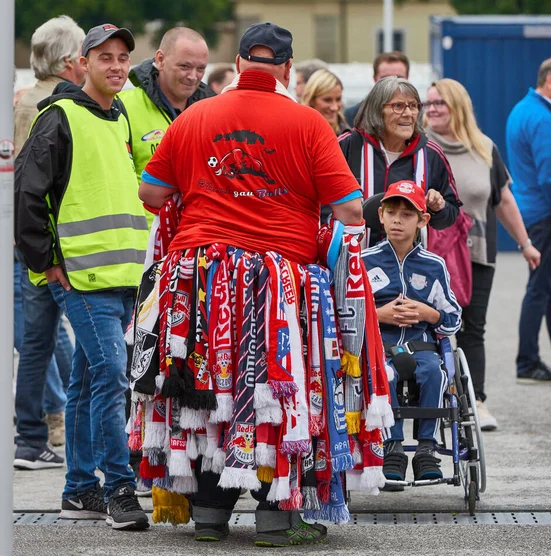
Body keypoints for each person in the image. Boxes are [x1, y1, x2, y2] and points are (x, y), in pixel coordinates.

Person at [134, 22, 369, 546]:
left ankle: (210, 518)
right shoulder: (309, 124)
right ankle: (274, 520)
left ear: (238, 64)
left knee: (208, 392)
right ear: (287, 69)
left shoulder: (196, 115)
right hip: (275, 285)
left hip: (199, 279)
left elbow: (152, 194)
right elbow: (351, 209)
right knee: (270, 393)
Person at [15, 23, 149, 530]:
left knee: (90, 380)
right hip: (80, 277)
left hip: (120, 276)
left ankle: (78, 488)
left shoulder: (118, 118)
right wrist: (46, 262)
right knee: (113, 375)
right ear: (83, 62)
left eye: (123, 59)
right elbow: (28, 194)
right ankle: (118, 487)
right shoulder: (59, 116)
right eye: (106, 57)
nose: (116, 66)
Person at [423, 78, 541, 430]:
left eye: (439, 103)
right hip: (428, 256)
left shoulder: (484, 148)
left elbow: (503, 200)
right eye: (428, 104)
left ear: (457, 106)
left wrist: (525, 243)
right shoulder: (421, 148)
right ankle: (431, 406)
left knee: (473, 330)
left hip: (477, 254)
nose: (431, 109)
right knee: (427, 329)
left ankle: (475, 401)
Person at [12, 15, 85, 469]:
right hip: (51, 247)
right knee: (49, 340)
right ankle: (38, 436)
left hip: (38, 245)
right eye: (82, 54)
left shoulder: (28, 102)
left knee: (39, 341)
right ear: (66, 61)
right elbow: (30, 186)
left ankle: (32, 439)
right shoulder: (50, 106)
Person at [363, 180, 461, 483]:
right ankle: (391, 447)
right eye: (390, 212)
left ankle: (426, 449)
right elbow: (347, 315)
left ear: (423, 220)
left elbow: (453, 317)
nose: (396, 220)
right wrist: (379, 315)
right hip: (380, 345)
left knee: (435, 372)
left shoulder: (434, 266)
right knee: (382, 373)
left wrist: (429, 313)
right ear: (380, 215)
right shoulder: (365, 262)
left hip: (422, 344)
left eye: (406, 215)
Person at [506, 56, 551, 383]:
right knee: (541, 288)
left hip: (532, 212)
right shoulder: (544, 120)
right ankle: (527, 363)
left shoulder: (523, 110)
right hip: (547, 215)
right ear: (550, 81)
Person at [339, 77, 460, 238]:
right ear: (376, 109)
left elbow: (450, 215)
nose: (408, 113)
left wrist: (439, 207)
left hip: (409, 261)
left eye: (413, 106)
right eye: (398, 106)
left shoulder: (431, 154)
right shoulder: (347, 146)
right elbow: (319, 203)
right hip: (354, 259)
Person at [119, 27, 214, 187]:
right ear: (160, 59)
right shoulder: (122, 107)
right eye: (184, 66)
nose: (192, 76)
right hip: (142, 212)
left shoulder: (213, 112)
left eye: (201, 68)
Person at [344, 51, 409, 128]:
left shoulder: (418, 113)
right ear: (375, 79)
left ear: (407, 78)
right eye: (386, 79)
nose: (393, 83)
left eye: (399, 78)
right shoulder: (353, 114)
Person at [301, 68, 349, 136]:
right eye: (327, 100)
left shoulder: (348, 138)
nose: (334, 107)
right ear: (311, 100)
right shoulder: (298, 133)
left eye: (338, 99)